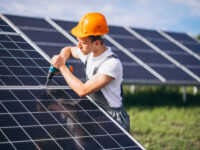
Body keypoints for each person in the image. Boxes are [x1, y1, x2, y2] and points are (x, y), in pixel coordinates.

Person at [50, 12, 130, 132]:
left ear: (97, 43)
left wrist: (62, 67)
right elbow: (68, 50)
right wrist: (61, 58)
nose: (79, 46)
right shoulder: (89, 53)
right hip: (93, 107)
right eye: (78, 41)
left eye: (82, 43)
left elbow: (82, 90)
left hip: (111, 117)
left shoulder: (111, 64)